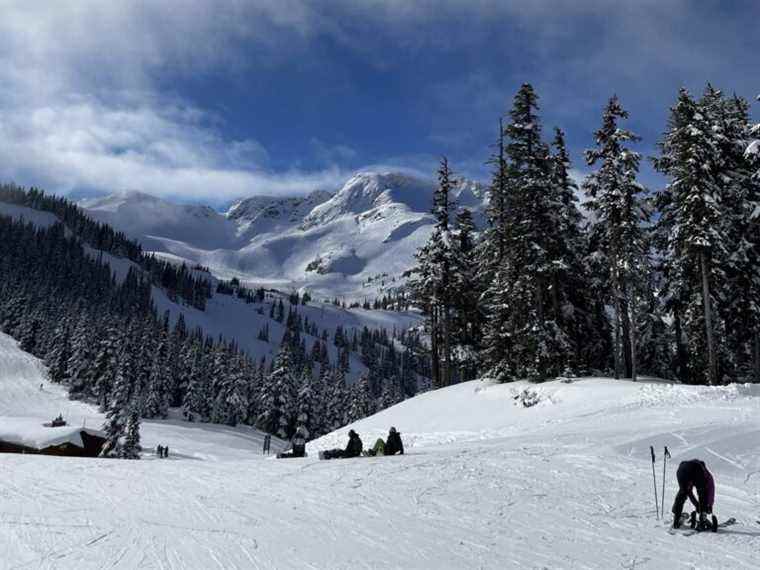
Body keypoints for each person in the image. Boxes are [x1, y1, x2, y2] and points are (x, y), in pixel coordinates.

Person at [672, 459, 716, 530]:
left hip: (681, 470)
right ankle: (702, 522)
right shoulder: (706, 475)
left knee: (683, 493)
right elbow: (711, 490)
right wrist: (709, 505)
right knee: (702, 495)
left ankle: (676, 521)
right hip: (694, 470)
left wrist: (697, 505)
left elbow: (689, 492)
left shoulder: (693, 467)